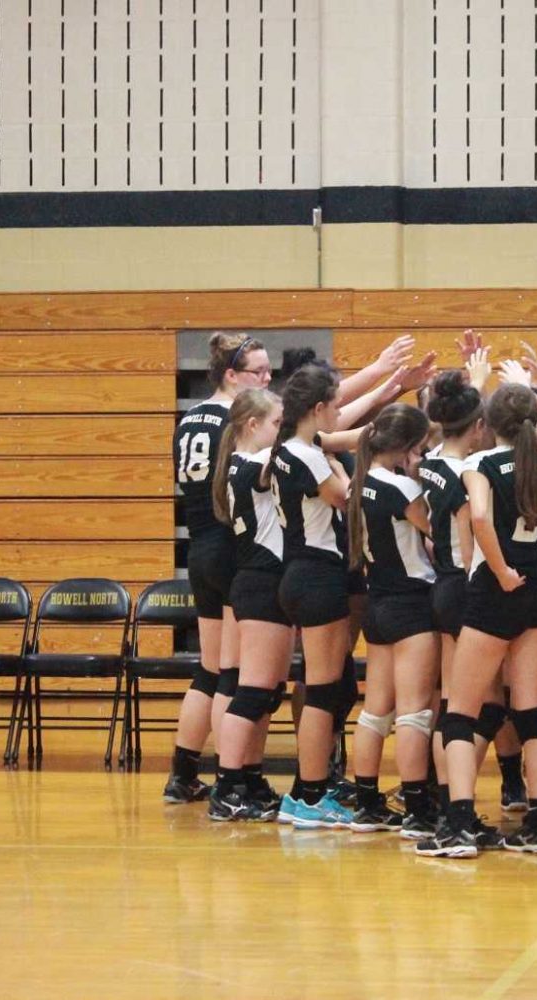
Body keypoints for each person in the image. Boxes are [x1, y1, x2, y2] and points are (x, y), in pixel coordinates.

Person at [415, 384, 537, 859]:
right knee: (530, 710)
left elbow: (478, 517)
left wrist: (498, 569)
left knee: (461, 711)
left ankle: (457, 825)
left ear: (488, 425)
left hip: (497, 589)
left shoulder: (478, 465)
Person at [163, 333, 272, 804]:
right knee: (233, 672)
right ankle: (237, 777)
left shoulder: (189, 418)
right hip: (231, 547)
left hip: (200, 548)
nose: (268, 381)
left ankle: (182, 772)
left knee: (209, 671)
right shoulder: (237, 417)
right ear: (231, 374)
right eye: (259, 373)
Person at [266, 365, 359, 828]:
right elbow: (347, 497)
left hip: (302, 574)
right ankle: (310, 796)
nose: (340, 411)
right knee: (322, 690)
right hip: (316, 575)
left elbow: (345, 436)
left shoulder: (291, 448)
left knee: (331, 685)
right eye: (335, 404)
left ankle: (306, 789)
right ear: (317, 409)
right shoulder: (310, 456)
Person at [347, 403, 439, 834]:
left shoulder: (358, 481)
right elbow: (436, 531)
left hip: (377, 602)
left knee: (374, 712)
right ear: (407, 447)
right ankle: (419, 809)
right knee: (414, 713)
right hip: (409, 603)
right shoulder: (402, 489)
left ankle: (366, 801)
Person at [206, 388, 288, 821]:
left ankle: (249, 778)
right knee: (252, 690)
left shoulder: (241, 462)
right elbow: (311, 442)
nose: (282, 432)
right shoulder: (255, 463)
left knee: (266, 692)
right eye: (276, 423)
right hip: (261, 582)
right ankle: (227, 785)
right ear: (252, 425)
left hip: (264, 582)